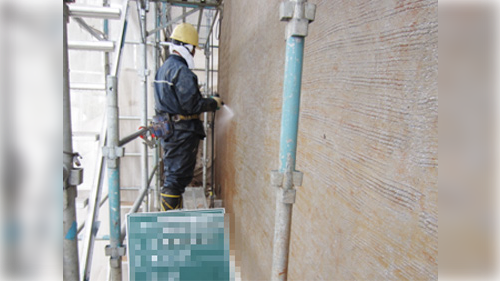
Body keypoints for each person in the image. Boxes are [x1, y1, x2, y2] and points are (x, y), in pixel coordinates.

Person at [153, 23, 222, 211]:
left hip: (169, 129)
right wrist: (213, 103)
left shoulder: (164, 68)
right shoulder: (181, 72)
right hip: (180, 131)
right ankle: (168, 222)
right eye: (193, 50)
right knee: (176, 178)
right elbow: (192, 105)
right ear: (188, 47)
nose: (193, 55)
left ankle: (173, 214)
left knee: (174, 175)